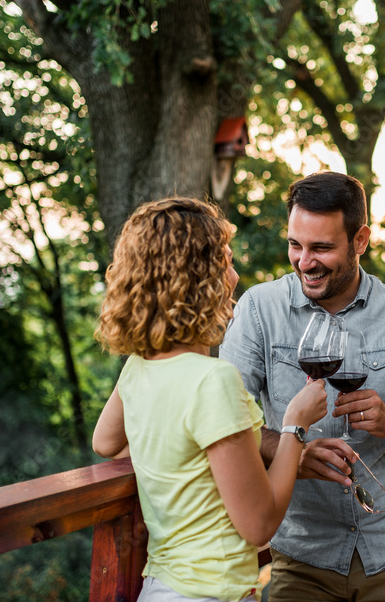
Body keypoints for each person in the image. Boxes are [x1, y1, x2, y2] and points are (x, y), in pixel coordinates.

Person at [219, 172, 385, 602]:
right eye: (295, 244)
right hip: (303, 552)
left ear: (360, 241)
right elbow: (227, 421)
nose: (304, 261)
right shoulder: (259, 310)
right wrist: (290, 451)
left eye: (321, 247)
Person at [92, 197, 328, 602]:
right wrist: (295, 426)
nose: (234, 276)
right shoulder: (213, 381)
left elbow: (105, 443)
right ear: (198, 278)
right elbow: (258, 525)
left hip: (159, 588)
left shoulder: (139, 367)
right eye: (226, 261)